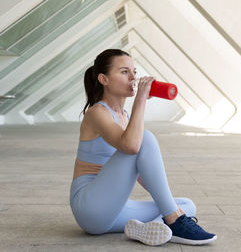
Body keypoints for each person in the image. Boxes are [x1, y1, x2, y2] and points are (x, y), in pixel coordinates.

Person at [69, 49, 217, 246]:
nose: (133, 77)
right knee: (144, 138)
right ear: (104, 79)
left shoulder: (126, 116)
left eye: (134, 71)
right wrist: (141, 99)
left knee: (186, 205)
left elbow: (141, 172)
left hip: (115, 209)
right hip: (90, 207)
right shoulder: (97, 113)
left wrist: (169, 205)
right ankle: (173, 222)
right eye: (124, 72)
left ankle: (149, 228)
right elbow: (131, 146)